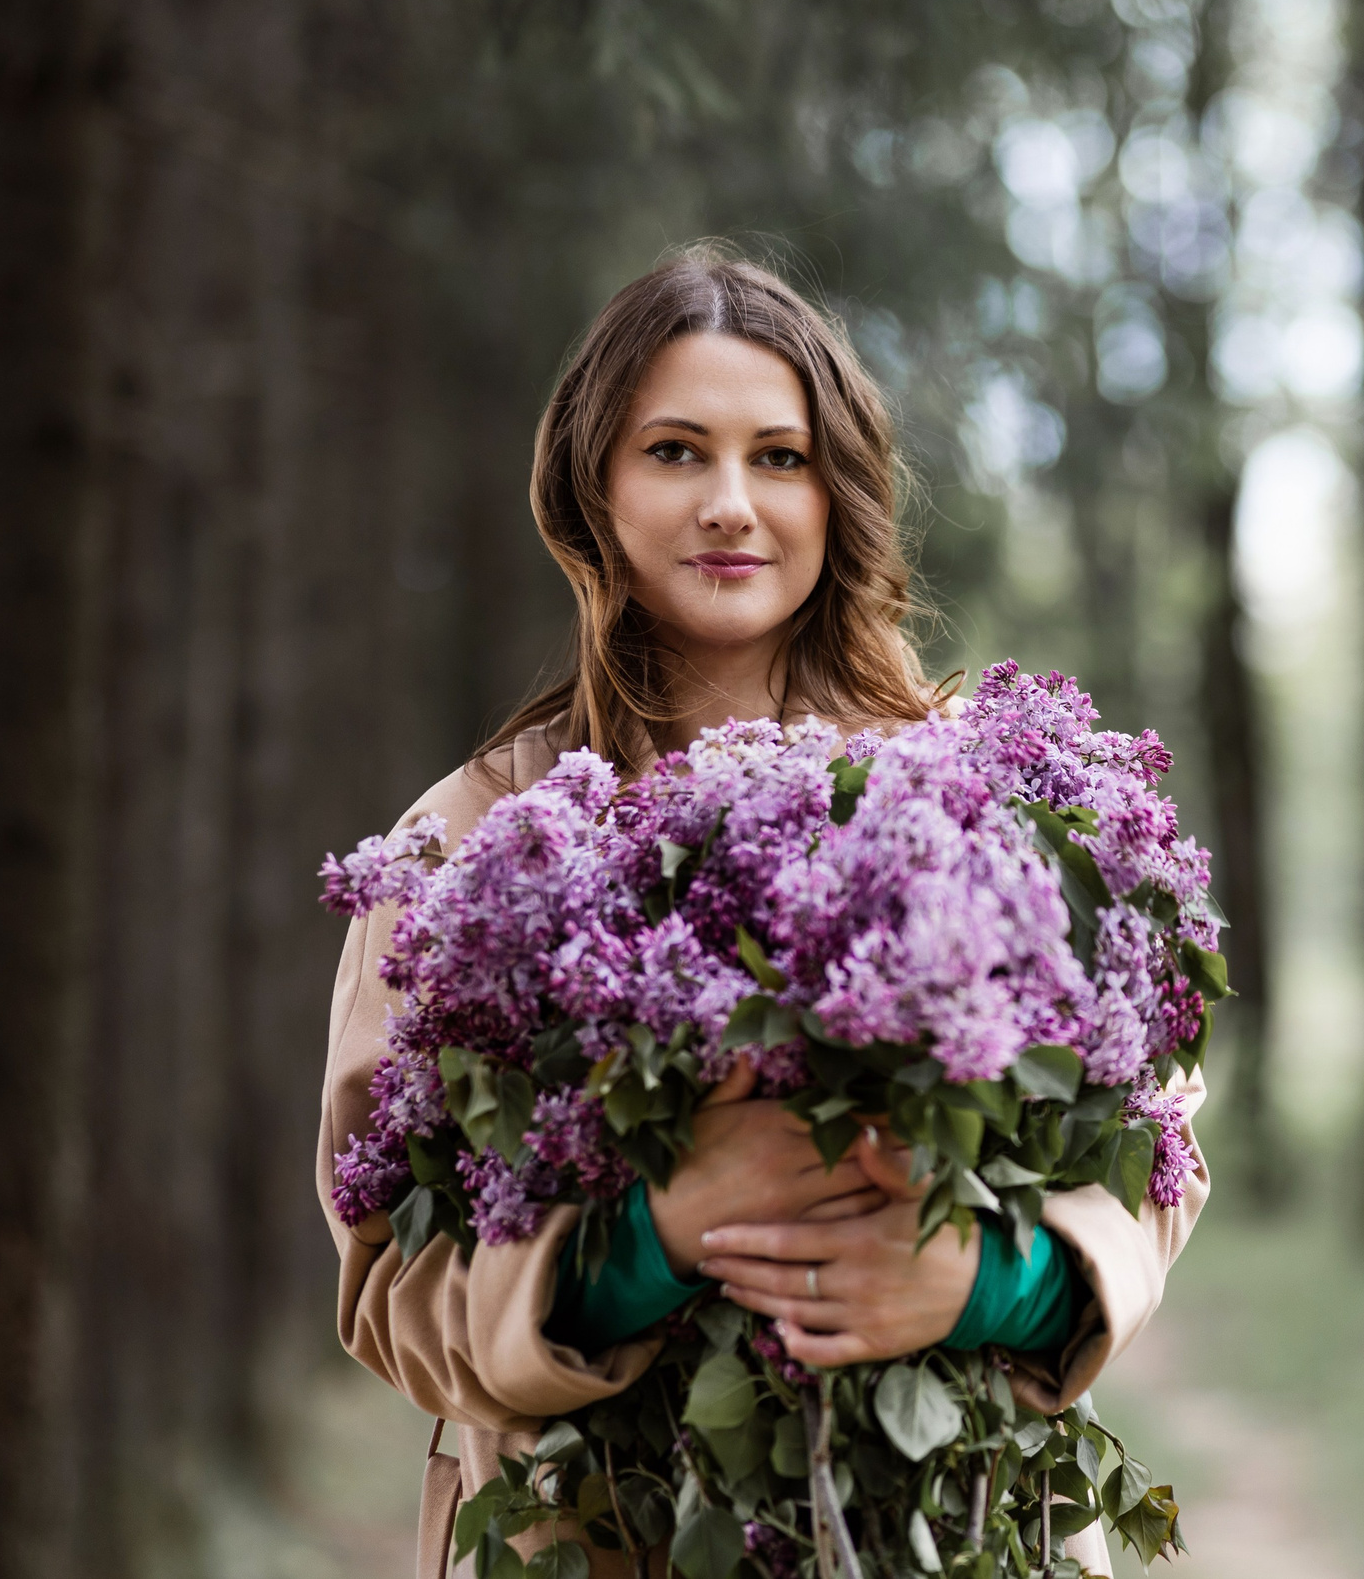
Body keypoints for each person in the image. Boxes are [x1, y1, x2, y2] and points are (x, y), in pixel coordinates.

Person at [316, 245, 1207, 1578]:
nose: (731, 503)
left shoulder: (987, 788)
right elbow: (389, 1278)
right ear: (594, 489)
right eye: (676, 451)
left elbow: (1153, 1155)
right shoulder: (466, 844)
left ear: (835, 491)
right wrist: (646, 1240)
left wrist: (984, 1279)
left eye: (779, 457)